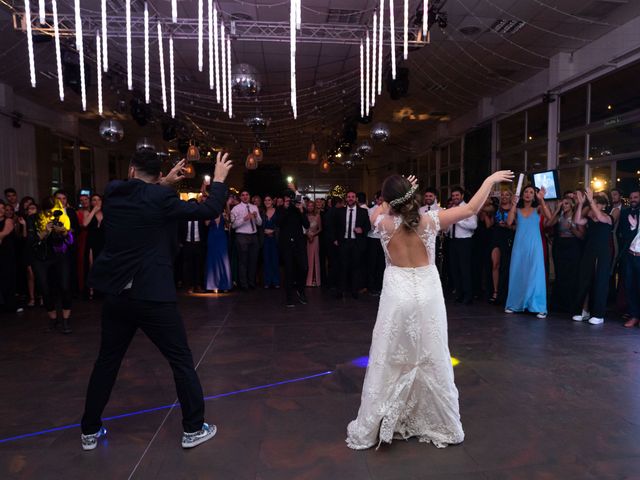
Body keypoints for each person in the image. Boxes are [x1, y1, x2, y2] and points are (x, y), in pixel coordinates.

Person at [346, 170, 515, 450]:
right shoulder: (430, 220)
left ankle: (381, 417)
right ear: (411, 198)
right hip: (427, 292)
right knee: (432, 353)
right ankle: (441, 421)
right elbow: (472, 208)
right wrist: (490, 180)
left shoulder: (381, 222)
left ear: (388, 200)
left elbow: (379, 209)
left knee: (390, 354)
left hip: (397, 293)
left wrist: (398, 196)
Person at [80, 152, 232, 451]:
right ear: (157, 174)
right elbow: (211, 209)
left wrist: (163, 181)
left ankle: (89, 430)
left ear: (131, 169)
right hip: (152, 295)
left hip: (117, 294)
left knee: (107, 361)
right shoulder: (160, 200)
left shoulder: (113, 193)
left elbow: (140, 193)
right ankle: (193, 428)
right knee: (181, 361)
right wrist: (218, 179)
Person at [505, 185, 553, 318]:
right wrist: (513, 205)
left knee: (535, 274)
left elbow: (549, 217)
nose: (528, 194)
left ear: (534, 196)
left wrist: (542, 200)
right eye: (526, 191)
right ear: (522, 194)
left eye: (531, 192)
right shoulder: (517, 209)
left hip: (534, 246)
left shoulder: (537, 209)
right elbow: (509, 222)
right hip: (519, 246)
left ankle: (539, 307)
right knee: (517, 273)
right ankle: (514, 304)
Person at [29, 197, 74, 330]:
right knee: (45, 289)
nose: (51, 213)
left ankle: (66, 320)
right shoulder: (33, 219)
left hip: (59, 255)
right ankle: (53, 319)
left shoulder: (60, 217)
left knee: (65, 287)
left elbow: (70, 240)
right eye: (48, 211)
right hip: (40, 258)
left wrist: (64, 231)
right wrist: (46, 231)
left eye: (53, 209)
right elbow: (31, 241)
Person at [571, 189, 613, 325]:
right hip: (589, 251)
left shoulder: (608, 218)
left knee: (600, 282)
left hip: (603, 253)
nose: (592, 206)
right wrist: (580, 204)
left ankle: (599, 314)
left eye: (595, 204)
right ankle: (582, 311)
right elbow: (577, 220)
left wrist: (590, 201)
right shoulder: (590, 219)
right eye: (592, 204)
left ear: (603, 206)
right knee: (584, 280)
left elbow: (600, 217)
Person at [547, 196, 584, 313]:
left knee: (571, 275)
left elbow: (582, 236)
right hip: (560, 246)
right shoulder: (560, 217)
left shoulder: (576, 217)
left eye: (567, 203)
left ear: (572, 205)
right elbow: (548, 224)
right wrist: (557, 210)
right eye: (562, 204)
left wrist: (572, 229)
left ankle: (570, 305)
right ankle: (559, 304)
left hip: (572, 246)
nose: (564, 205)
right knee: (560, 274)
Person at [334, 191, 370, 299]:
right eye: (349, 197)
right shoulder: (340, 211)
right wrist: (335, 239)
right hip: (343, 242)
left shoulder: (363, 212)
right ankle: (341, 291)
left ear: (356, 199)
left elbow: (368, 226)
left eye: (352, 197)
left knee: (356, 268)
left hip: (356, 243)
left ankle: (355, 291)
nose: (350, 198)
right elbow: (335, 226)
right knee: (342, 267)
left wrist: (362, 230)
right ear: (346, 199)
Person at [277, 190, 309, 306]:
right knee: (289, 271)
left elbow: (307, 225)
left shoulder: (299, 208)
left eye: (290, 198)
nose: (289, 201)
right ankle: (289, 297)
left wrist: (301, 210)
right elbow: (278, 223)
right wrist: (285, 209)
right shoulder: (281, 209)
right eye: (287, 198)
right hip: (286, 245)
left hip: (299, 243)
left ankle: (301, 290)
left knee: (304, 267)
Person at [447, 187, 477, 304]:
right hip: (452, 241)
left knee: (465, 269)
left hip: (465, 242)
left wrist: (458, 220)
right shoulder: (451, 209)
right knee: (455, 269)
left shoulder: (468, 208)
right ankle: (459, 294)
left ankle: (468, 295)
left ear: (462, 196)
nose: (455, 198)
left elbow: (473, 225)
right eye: (453, 196)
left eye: (457, 195)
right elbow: (450, 223)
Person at [230, 191, 262, 290]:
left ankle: (251, 283)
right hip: (241, 236)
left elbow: (260, 223)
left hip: (253, 236)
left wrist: (256, 217)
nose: (245, 197)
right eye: (243, 195)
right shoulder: (236, 208)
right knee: (243, 261)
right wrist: (245, 218)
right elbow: (233, 225)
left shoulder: (254, 207)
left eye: (247, 195)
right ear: (240, 197)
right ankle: (244, 285)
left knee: (253, 261)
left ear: (249, 196)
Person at [618, 189, 640, 327]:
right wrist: (632, 228)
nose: (633, 199)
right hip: (630, 254)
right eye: (631, 197)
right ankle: (634, 315)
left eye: (636, 197)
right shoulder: (625, 213)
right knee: (630, 285)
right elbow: (621, 233)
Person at [487, 190, 514, 304]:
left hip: (508, 236)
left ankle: (506, 292)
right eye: (502, 194)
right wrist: (487, 198)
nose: (504, 196)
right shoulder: (495, 208)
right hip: (496, 236)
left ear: (511, 197)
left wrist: (509, 227)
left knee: (507, 265)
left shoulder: (514, 209)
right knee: (495, 264)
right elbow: (489, 223)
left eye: (507, 194)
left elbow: (518, 225)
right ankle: (496, 291)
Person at [83, 194, 106, 299]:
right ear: (91, 202)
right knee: (92, 265)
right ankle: (91, 288)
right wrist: (94, 211)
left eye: (99, 200)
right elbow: (85, 224)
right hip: (92, 241)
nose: (97, 202)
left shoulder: (106, 213)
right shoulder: (87, 212)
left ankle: (102, 288)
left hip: (104, 241)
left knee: (103, 265)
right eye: (94, 200)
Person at [204, 212, 232, 293]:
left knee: (223, 260)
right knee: (213, 260)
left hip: (222, 238)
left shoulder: (224, 214)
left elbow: (229, 227)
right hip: (212, 238)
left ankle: (225, 284)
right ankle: (213, 285)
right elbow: (206, 224)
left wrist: (226, 218)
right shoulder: (209, 213)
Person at [367, 191, 385, 296]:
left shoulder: (388, 210)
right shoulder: (371, 210)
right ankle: (371, 287)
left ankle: (380, 286)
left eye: (383, 200)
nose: (381, 202)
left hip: (383, 239)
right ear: (376, 199)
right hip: (373, 239)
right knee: (372, 264)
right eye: (380, 200)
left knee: (382, 264)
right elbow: (373, 225)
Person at [261, 196, 280, 289]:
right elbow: (259, 226)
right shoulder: (262, 213)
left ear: (272, 201)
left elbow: (280, 225)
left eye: (269, 200)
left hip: (275, 239)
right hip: (265, 240)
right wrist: (264, 231)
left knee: (275, 261)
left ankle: (276, 281)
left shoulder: (277, 212)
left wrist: (273, 231)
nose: (267, 201)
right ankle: (267, 282)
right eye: (265, 200)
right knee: (267, 261)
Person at [305, 200, 322, 287]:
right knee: (308, 259)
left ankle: (315, 280)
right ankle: (308, 280)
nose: (310, 207)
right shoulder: (305, 216)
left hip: (315, 239)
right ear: (307, 207)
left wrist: (313, 235)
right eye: (309, 206)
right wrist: (308, 235)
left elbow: (320, 229)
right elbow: (303, 228)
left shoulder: (318, 216)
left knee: (315, 258)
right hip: (307, 239)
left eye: (312, 206)